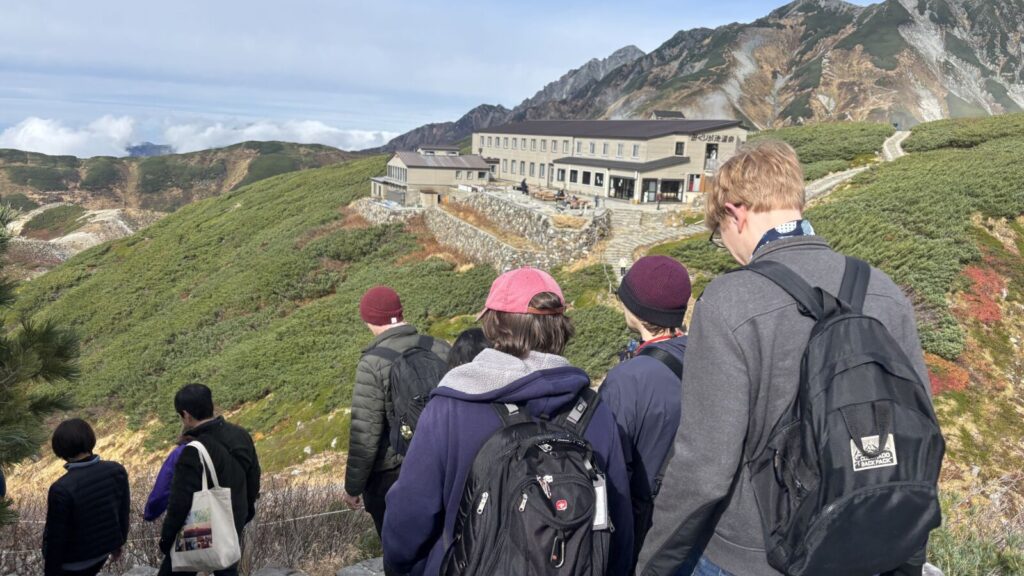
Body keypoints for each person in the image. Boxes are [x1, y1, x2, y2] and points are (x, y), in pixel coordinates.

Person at [640, 141, 937, 576]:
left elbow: (704, 469)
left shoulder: (728, 301)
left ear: (735, 211)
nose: (725, 246)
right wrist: (906, 556)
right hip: (863, 549)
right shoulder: (885, 292)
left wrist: (652, 565)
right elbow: (918, 431)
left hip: (753, 555)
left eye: (718, 232)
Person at [382, 267, 634, 576]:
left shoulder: (451, 407)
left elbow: (409, 517)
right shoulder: (593, 409)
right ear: (560, 326)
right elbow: (617, 520)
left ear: (493, 325)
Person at [342, 286, 451, 560]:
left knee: (399, 555)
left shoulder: (372, 363)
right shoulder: (439, 347)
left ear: (368, 319)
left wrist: (353, 487)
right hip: (443, 463)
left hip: (392, 475)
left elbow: (364, 434)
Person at [601, 255, 691, 574]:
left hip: (644, 537)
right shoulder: (707, 355)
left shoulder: (628, 379)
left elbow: (604, 466)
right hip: (694, 528)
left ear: (635, 310)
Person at [159, 384, 261, 576]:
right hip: (233, 517)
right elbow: (253, 478)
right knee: (225, 566)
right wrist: (245, 511)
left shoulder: (192, 450)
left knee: (178, 567)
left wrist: (167, 538)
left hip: (200, 526)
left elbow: (179, 503)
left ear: (186, 415)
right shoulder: (241, 434)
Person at [43, 419, 130, 576]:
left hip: (74, 563)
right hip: (102, 554)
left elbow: (56, 540)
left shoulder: (61, 489)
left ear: (60, 449)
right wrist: (118, 543)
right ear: (90, 440)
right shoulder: (116, 470)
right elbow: (122, 512)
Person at [143, 439, 189, 522]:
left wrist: (150, 513)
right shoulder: (218, 445)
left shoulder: (182, 452)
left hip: (193, 518)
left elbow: (163, 489)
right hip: (219, 512)